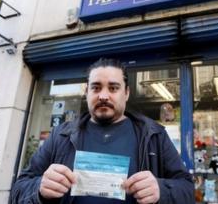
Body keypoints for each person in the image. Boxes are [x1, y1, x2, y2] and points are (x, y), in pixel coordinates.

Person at [11, 58, 194, 204]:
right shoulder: (61, 135)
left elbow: (187, 190)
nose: (104, 95)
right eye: (96, 87)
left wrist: (161, 190)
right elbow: (18, 189)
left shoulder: (153, 134)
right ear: (87, 92)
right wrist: (39, 188)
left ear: (127, 93)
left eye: (113, 88)